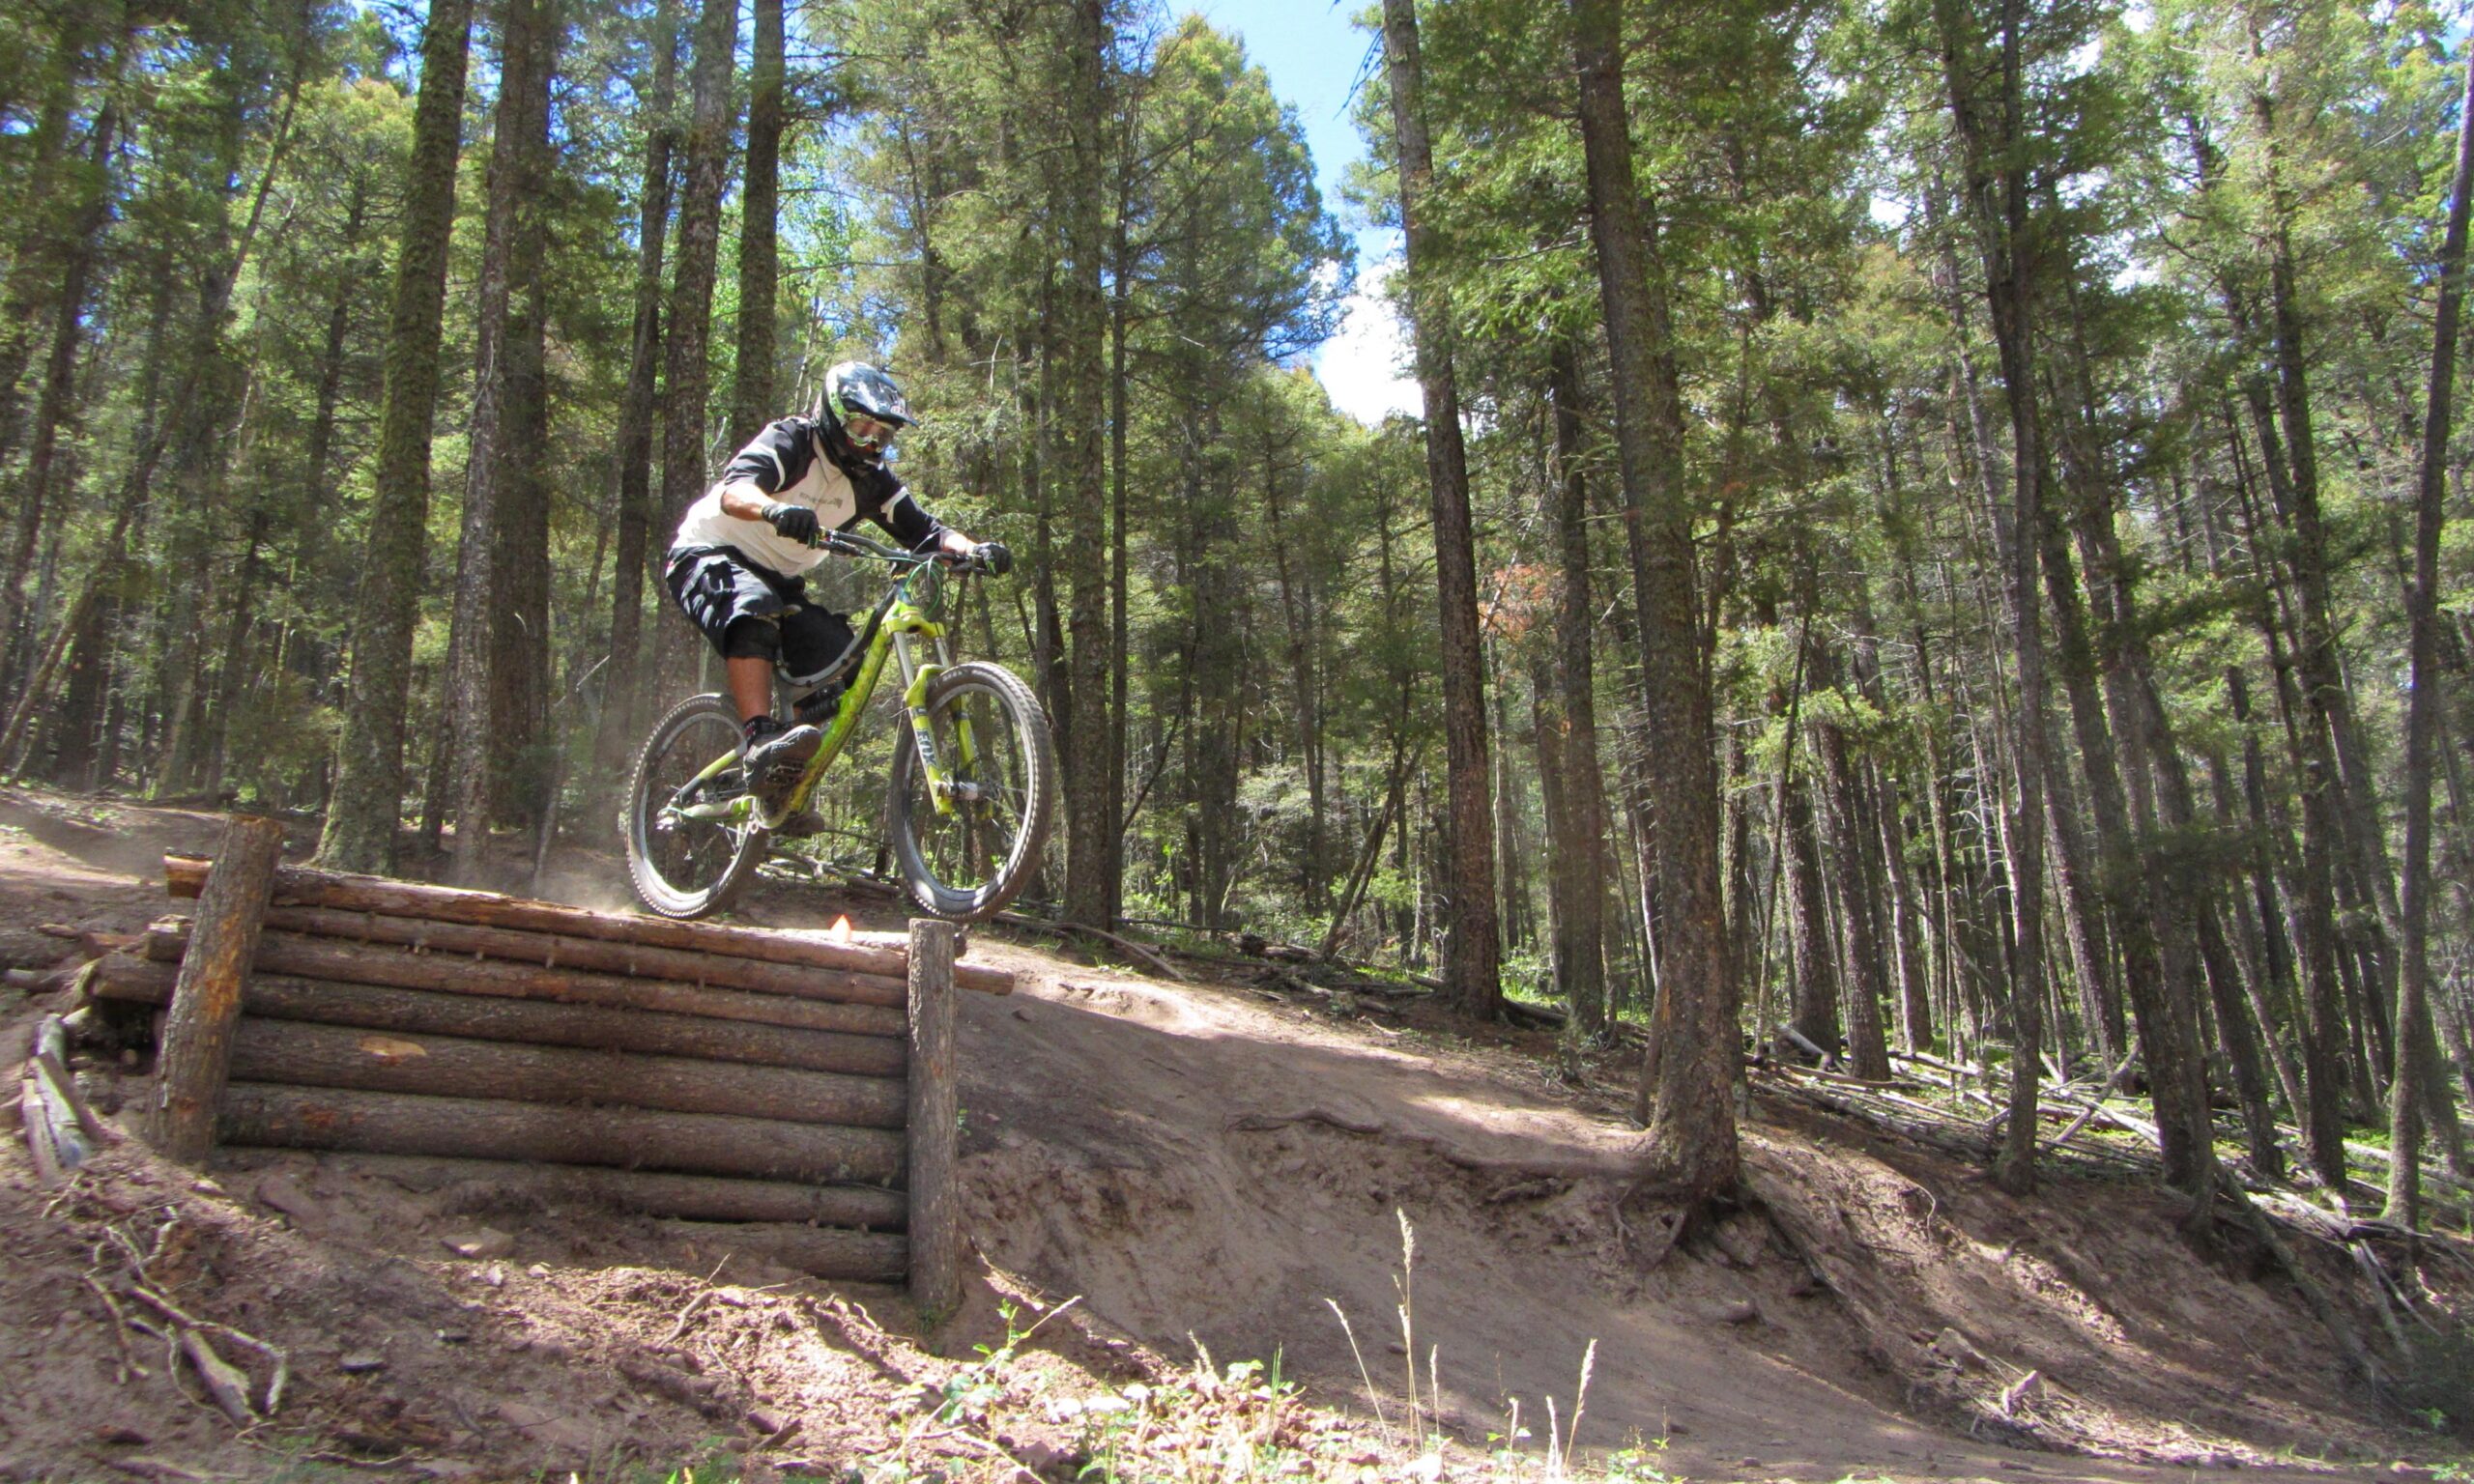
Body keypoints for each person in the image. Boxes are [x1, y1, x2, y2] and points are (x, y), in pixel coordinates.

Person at [664, 360, 1008, 806]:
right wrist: (773, 509)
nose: (871, 443)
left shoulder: (872, 481)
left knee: (839, 658)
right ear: (831, 414)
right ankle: (759, 739)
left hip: (781, 578)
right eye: (862, 428)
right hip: (707, 552)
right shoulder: (793, 440)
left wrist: (973, 550)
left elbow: (926, 531)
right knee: (754, 606)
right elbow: (736, 490)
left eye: (883, 435)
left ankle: (783, 790)